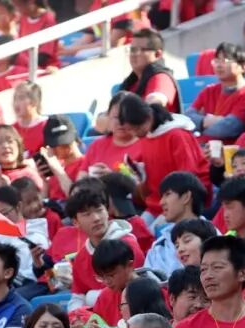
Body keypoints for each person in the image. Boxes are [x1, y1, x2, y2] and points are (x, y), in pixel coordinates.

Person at [116, 92, 209, 223]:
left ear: (148, 118)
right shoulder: (147, 136)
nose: (134, 134)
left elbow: (189, 177)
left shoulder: (177, 135)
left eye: (135, 128)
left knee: (156, 231)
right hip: (156, 203)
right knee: (138, 229)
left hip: (182, 203)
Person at [186, 42, 245, 142]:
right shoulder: (209, 91)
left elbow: (227, 128)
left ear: (243, 66)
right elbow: (187, 118)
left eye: (225, 60)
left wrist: (199, 128)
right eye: (216, 61)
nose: (219, 65)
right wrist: (204, 121)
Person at [145, 171, 206, 275]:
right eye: (177, 245)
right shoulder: (159, 245)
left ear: (186, 197)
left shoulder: (213, 236)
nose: (161, 202)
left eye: (168, 194)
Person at [89, 237, 161, 325]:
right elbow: (98, 325)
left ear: (129, 265)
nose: (107, 282)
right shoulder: (104, 297)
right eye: (102, 277)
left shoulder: (153, 290)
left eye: (111, 275)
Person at [80, 92, 145, 178]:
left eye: (126, 117)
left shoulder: (145, 147)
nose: (120, 123)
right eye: (116, 117)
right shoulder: (97, 145)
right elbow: (81, 177)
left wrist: (113, 177)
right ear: (108, 116)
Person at [119, 28, 179, 111]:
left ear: (157, 54)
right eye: (132, 50)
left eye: (141, 50)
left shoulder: (161, 77)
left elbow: (157, 100)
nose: (134, 54)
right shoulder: (131, 82)